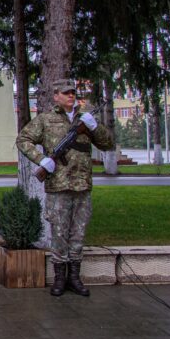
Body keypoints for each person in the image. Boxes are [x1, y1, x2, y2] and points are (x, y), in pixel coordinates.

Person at [16, 79, 113, 297]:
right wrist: (41, 160)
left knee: (78, 233)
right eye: (66, 93)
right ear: (56, 96)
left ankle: (74, 278)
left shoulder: (86, 118)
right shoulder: (46, 119)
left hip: (82, 186)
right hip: (58, 186)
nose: (71, 96)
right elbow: (23, 140)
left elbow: (108, 144)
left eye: (73, 92)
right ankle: (59, 278)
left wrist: (95, 128)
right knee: (59, 233)